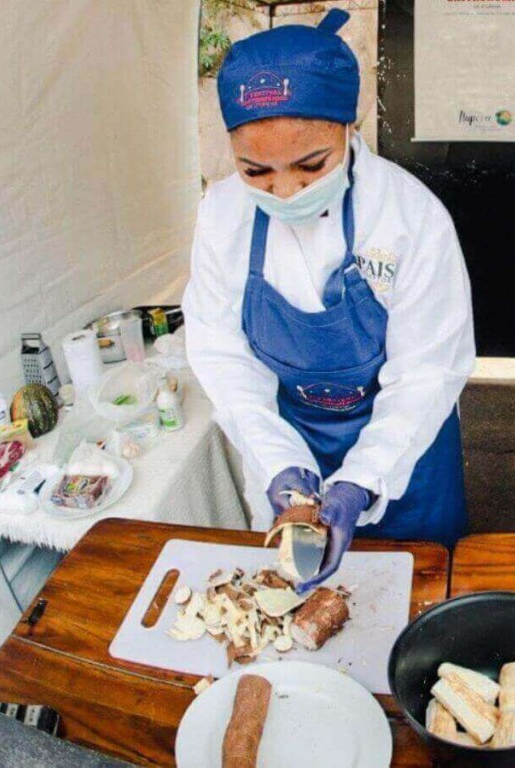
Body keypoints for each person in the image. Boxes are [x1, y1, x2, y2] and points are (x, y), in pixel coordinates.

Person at [183, 10, 474, 592]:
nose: (285, 191)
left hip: (405, 446)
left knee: (417, 595)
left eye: (311, 165)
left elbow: (425, 372)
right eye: (255, 170)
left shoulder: (409, 217)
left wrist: (363, 478)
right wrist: (278, 464)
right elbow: (223, 355)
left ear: (350, 126)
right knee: (299, 608)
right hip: (294, 434)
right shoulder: (222, 215)